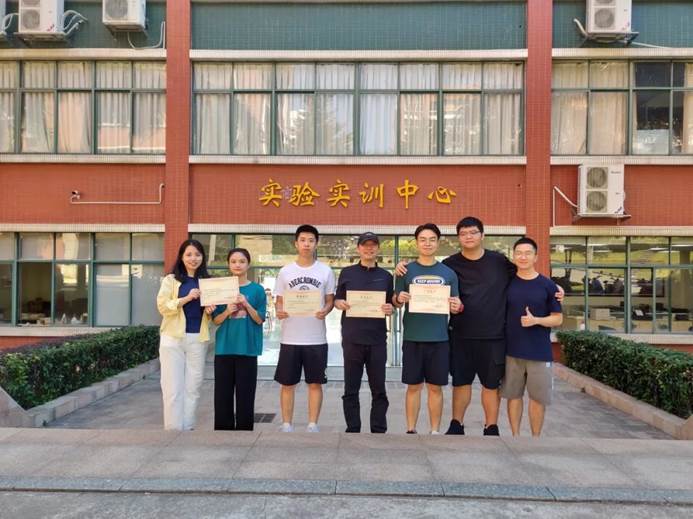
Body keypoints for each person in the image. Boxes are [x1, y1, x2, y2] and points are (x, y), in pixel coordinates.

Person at [395, 216, 562, 436]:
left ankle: (490, 426)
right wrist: (401, 266)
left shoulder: (499, 261)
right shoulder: (450, 265)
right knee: (461, 383)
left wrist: (553, 287)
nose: (468, 237)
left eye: (473, 232)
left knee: (490, 385)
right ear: (458, 238)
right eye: (463, 234)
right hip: (460, 335)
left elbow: (525, 273)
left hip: (493, 336)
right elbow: (427, 271)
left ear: (482, 235)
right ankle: (457, 424)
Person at [393, 223, 462, 434]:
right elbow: (395, 302)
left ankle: (434, 431)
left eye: (432, 239)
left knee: (435, 387)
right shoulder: (405, 270)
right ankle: (411, 429)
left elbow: (456, 303)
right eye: (423, 239)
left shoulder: (448, 273)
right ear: (416, 243)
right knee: (413, 386)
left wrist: (457, 306)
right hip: (412, 337)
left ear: (438, 243)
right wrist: (399, 298)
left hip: (439, 339)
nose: (427, 243)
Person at [274, 224, 336, 432]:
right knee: (287, 383)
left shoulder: (325, 271)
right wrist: (279, 310)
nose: (306, 244)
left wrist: (325, 310)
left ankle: (312, 424)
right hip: (290, 338)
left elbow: (330, 300)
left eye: (310, 240)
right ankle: (286, 423)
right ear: (296, 243)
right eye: (302, 240)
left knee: (315, 383)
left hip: (316, 338)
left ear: (316, 244)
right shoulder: (285, 271)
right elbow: (279, 300)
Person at [501, 237, 562, 437]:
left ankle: (535, 439)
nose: (523, 257)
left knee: (537, 399)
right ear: (513, 256)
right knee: (513, 396)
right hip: (511, 351)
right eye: (519, 253)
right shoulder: (507, 283)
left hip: (539, 352)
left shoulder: (547, 285)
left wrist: (536, 320)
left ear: (536, 257)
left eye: (528, 253)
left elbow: (558, 318)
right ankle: (516, 437)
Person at [334, 232, 394, 433]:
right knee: (351, 388)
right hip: (352, 338)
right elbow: (338, 299)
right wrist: (339, 303)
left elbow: (391, 304)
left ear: (378, 248)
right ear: (358, 248)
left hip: (377, 339)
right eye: (365, 245)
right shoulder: (347, 273)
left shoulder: (386, 276)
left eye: (373, 245)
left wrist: (390, 308)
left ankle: (378, 429)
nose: (369, 249)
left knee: (379, 389)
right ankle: (353, 428)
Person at [156, 239, 212, 431]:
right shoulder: (171, 280)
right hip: (173, 339)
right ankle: (173, 429)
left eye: (197, 254)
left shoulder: (208, 282)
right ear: (181, 257)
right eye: (188, 254)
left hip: (198, 339)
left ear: (203, 257)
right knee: (172, 387)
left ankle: (187, 428)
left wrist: (210, 310)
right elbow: (163, 307)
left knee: (193, 387)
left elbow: (208, 315)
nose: (193, 258)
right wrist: (186, 298)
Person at [211, 248, 266, 431]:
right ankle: (223, 432)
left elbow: (259, 319)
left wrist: (246, 304)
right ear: (228, 264)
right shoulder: (220, 289)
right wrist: (227, 310)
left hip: (248, 349)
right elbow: (216, 320)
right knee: (222, 396)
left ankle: (245, 431)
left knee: (246, 395)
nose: (237, 265)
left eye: (242, 261)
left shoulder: (257, 290)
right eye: (233, 261)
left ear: (248, 264)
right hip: (224, 349)